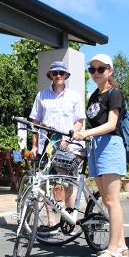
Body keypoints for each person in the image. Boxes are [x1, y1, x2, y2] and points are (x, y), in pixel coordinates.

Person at [74, 54, 127, 257]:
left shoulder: (114, 94)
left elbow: (112, 124)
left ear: (110, 71)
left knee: (112, 201)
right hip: (96, 147)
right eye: (92, 70)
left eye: (101, 69)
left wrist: (86, 134)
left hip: (111, 146)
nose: (96, 73)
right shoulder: (94, 96)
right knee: (106, 200)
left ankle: (112, 251)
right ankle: (121, 244)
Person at [29, 61, 85, 234]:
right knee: (47, 182)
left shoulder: (74, 96)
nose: (58, 75)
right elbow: (35, 122)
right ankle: (51, 221)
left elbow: (79, 121)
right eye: (55, 73)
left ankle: (68, 218)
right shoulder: (42, 96)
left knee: (70, 181)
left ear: (66, 75)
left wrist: (69, 137)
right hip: (47, 143)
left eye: (62, 73)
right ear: (50, 76)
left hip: (68, 144)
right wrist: (33, 146)